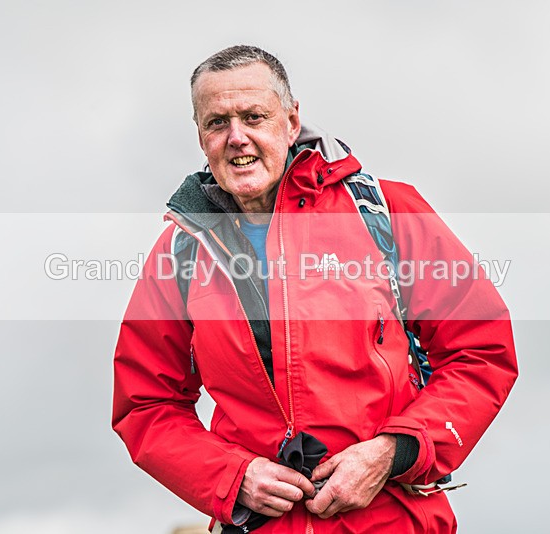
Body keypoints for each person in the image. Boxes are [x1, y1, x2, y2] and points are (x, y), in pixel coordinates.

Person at [112, 45, 518, 533]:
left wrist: (393, 452)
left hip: (392, 521)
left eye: (253, 116)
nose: (237, 137)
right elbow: (145, 403)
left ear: (290, 120)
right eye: (217, 123)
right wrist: (231, 477)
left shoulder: (387, 212)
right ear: (200, 136)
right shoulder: (182, 250)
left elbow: (482, 351)